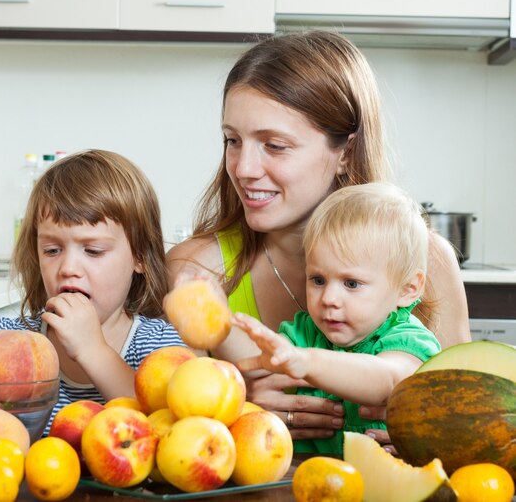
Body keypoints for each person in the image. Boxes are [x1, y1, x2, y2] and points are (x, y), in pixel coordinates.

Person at [167, 30, 469, 446]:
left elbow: (472, 417)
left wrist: (423, 429)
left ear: (345, 152)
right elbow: (174, 426)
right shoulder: (198, 272)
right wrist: (238, 402)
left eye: (274, 145)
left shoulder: (426, 260)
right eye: (232, 141)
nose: (243, 168)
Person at [0, 149, 186, 430]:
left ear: (140, 257)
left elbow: (167, 430)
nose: (68, 267)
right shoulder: (8, 338)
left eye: (93, 250)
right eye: (52, 250)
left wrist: (92, 350)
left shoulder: (158, 346)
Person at [232, 182, 441, 455]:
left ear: (407, 289)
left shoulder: (407, 339)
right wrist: (219, 321)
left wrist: (307, 361)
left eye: (352, 284)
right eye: (318, 279)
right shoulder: (306, 333)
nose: (328, 298)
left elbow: (386, 380)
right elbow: (256, 361)